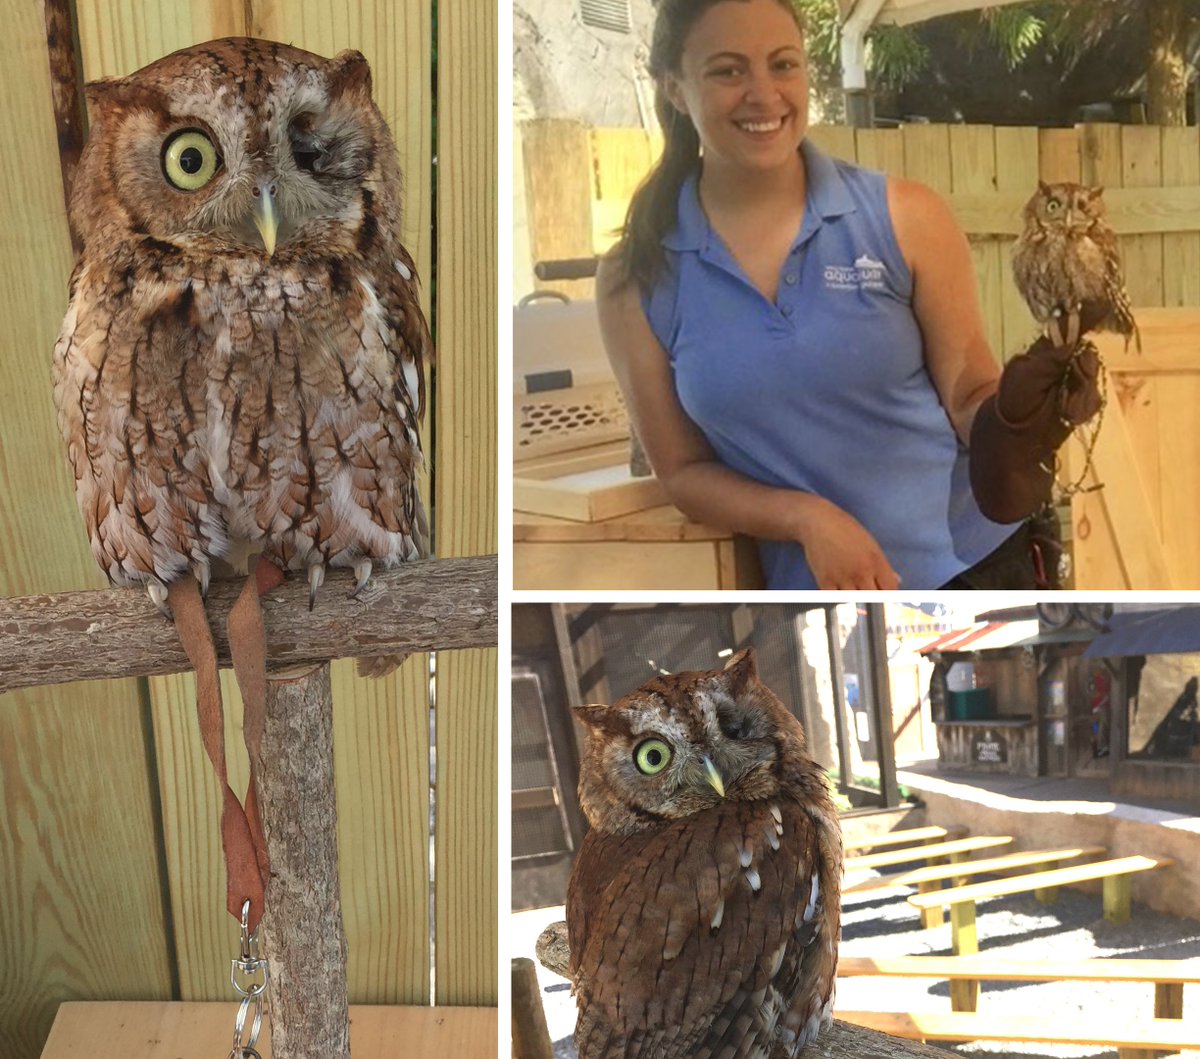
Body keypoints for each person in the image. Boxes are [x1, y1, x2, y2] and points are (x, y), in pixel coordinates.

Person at [595, 0, 1088, 590]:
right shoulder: (637, 274)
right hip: (818, 593)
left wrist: (1022, 415)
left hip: (978, 567)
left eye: (783, 65)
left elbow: (968, 398)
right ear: (673, 87)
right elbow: (681, 472)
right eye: (728, 70)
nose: (763, 93)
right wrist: (806, 518)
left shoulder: (907, 217)